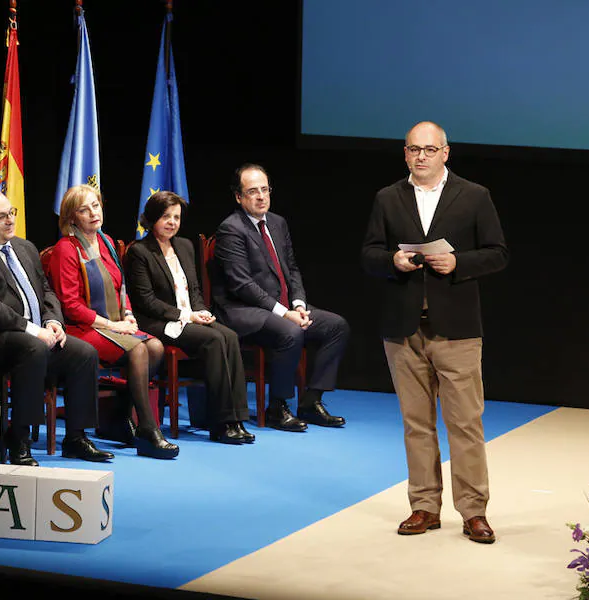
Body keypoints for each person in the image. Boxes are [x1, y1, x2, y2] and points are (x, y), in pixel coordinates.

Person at [361, 121, 508, 544]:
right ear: (405, 154)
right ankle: (424, 506)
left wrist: (459, 263)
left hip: (457, 329)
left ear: (446, 152)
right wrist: (394, 260)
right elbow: (368, 254)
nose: (420, 156)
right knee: (416, 424)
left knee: (465, 424)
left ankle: (474, 512)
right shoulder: (388, 198)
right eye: (413, 149)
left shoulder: (474, 195)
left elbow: (498, 253)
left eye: (429, 149)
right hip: (402, 329)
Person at [0, 189, 113, 466]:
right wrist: (34, 330)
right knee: (33, 347)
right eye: (0, 217)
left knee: (83, 352)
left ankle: (76, 438)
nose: (10, 220)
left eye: (11, 213)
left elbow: (46, 291)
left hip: (37, 333)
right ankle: (19, 440)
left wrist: (53, 321)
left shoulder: (25, 248)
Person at [210, 163, 350, 432]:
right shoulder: (231, 229)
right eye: (253, 191)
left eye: (265, 189)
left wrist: (298, 304)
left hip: (283, 307)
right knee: (290, 331)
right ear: (238, 197)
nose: (261, 196)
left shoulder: (277, 223)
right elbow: (242, 285)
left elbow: (292, 268)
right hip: (243, 311)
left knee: (336, 326)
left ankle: (311, 401)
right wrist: (284, 313)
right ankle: (277, 407)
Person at [47, 185, 179, 459]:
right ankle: (147, 429)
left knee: (155, 347)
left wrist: (128, 315)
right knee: (139, 348)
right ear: (72, 217)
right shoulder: (65, 249)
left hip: (113, 325)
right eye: (85, 209)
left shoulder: (106, 241)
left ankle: (119, 418)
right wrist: (114, 326)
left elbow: (121, 289)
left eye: (96, 205)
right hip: (80, 329)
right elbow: (70, 306)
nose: (93, 212)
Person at [124, 191, 254, 445]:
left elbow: (193, 288)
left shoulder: (184, 246)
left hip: (189, 317)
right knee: (214, 340)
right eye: (165, 217)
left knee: (229, 336)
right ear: (151, 219)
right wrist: (187, 315)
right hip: (159, 322)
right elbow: (146, 301)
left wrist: (200, 311)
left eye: (176, 217)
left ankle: (237, 419)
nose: (172, 222)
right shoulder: (139, 251)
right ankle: (220, 424)